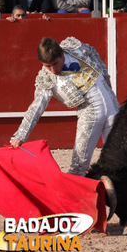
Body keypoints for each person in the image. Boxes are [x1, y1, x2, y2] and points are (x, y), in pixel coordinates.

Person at [9, 36, 120, 177]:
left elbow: (92, 51)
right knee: (79, 164)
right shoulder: (46, 79)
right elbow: (36, 108)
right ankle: (75, 197)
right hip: (90, 113)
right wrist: (20, 135)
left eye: (55, 63)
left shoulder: (73, 48)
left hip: (112, 105)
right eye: (47, 66)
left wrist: (105, 74)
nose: (52, 69)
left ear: (62, 54)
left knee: (117, 158)